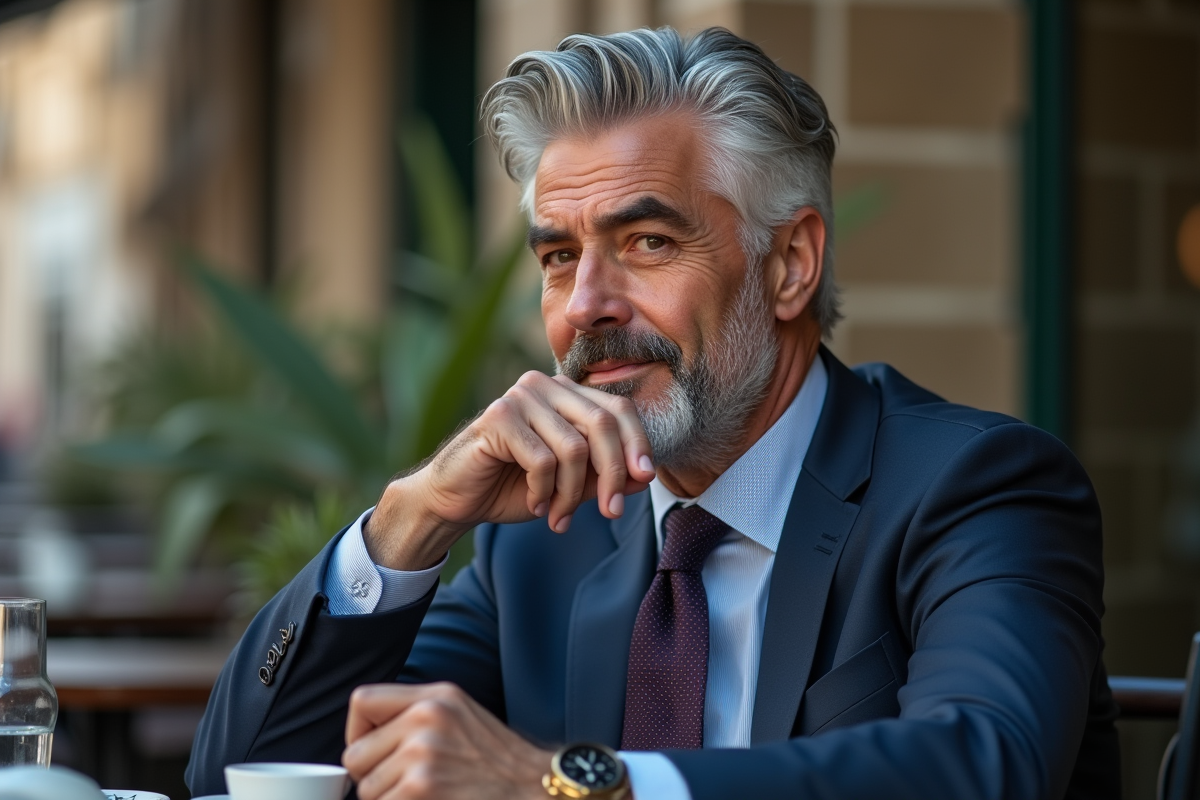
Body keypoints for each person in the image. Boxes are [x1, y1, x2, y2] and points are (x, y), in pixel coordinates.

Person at [186, 27, 1119, 800]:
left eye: (647, 240)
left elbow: (983, 766)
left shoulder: (977, 487)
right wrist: (411, 521)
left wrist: (578, 784)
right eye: (558, 257)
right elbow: (244, 777)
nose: (588, 303)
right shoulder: (544, 542)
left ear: (790, 263)